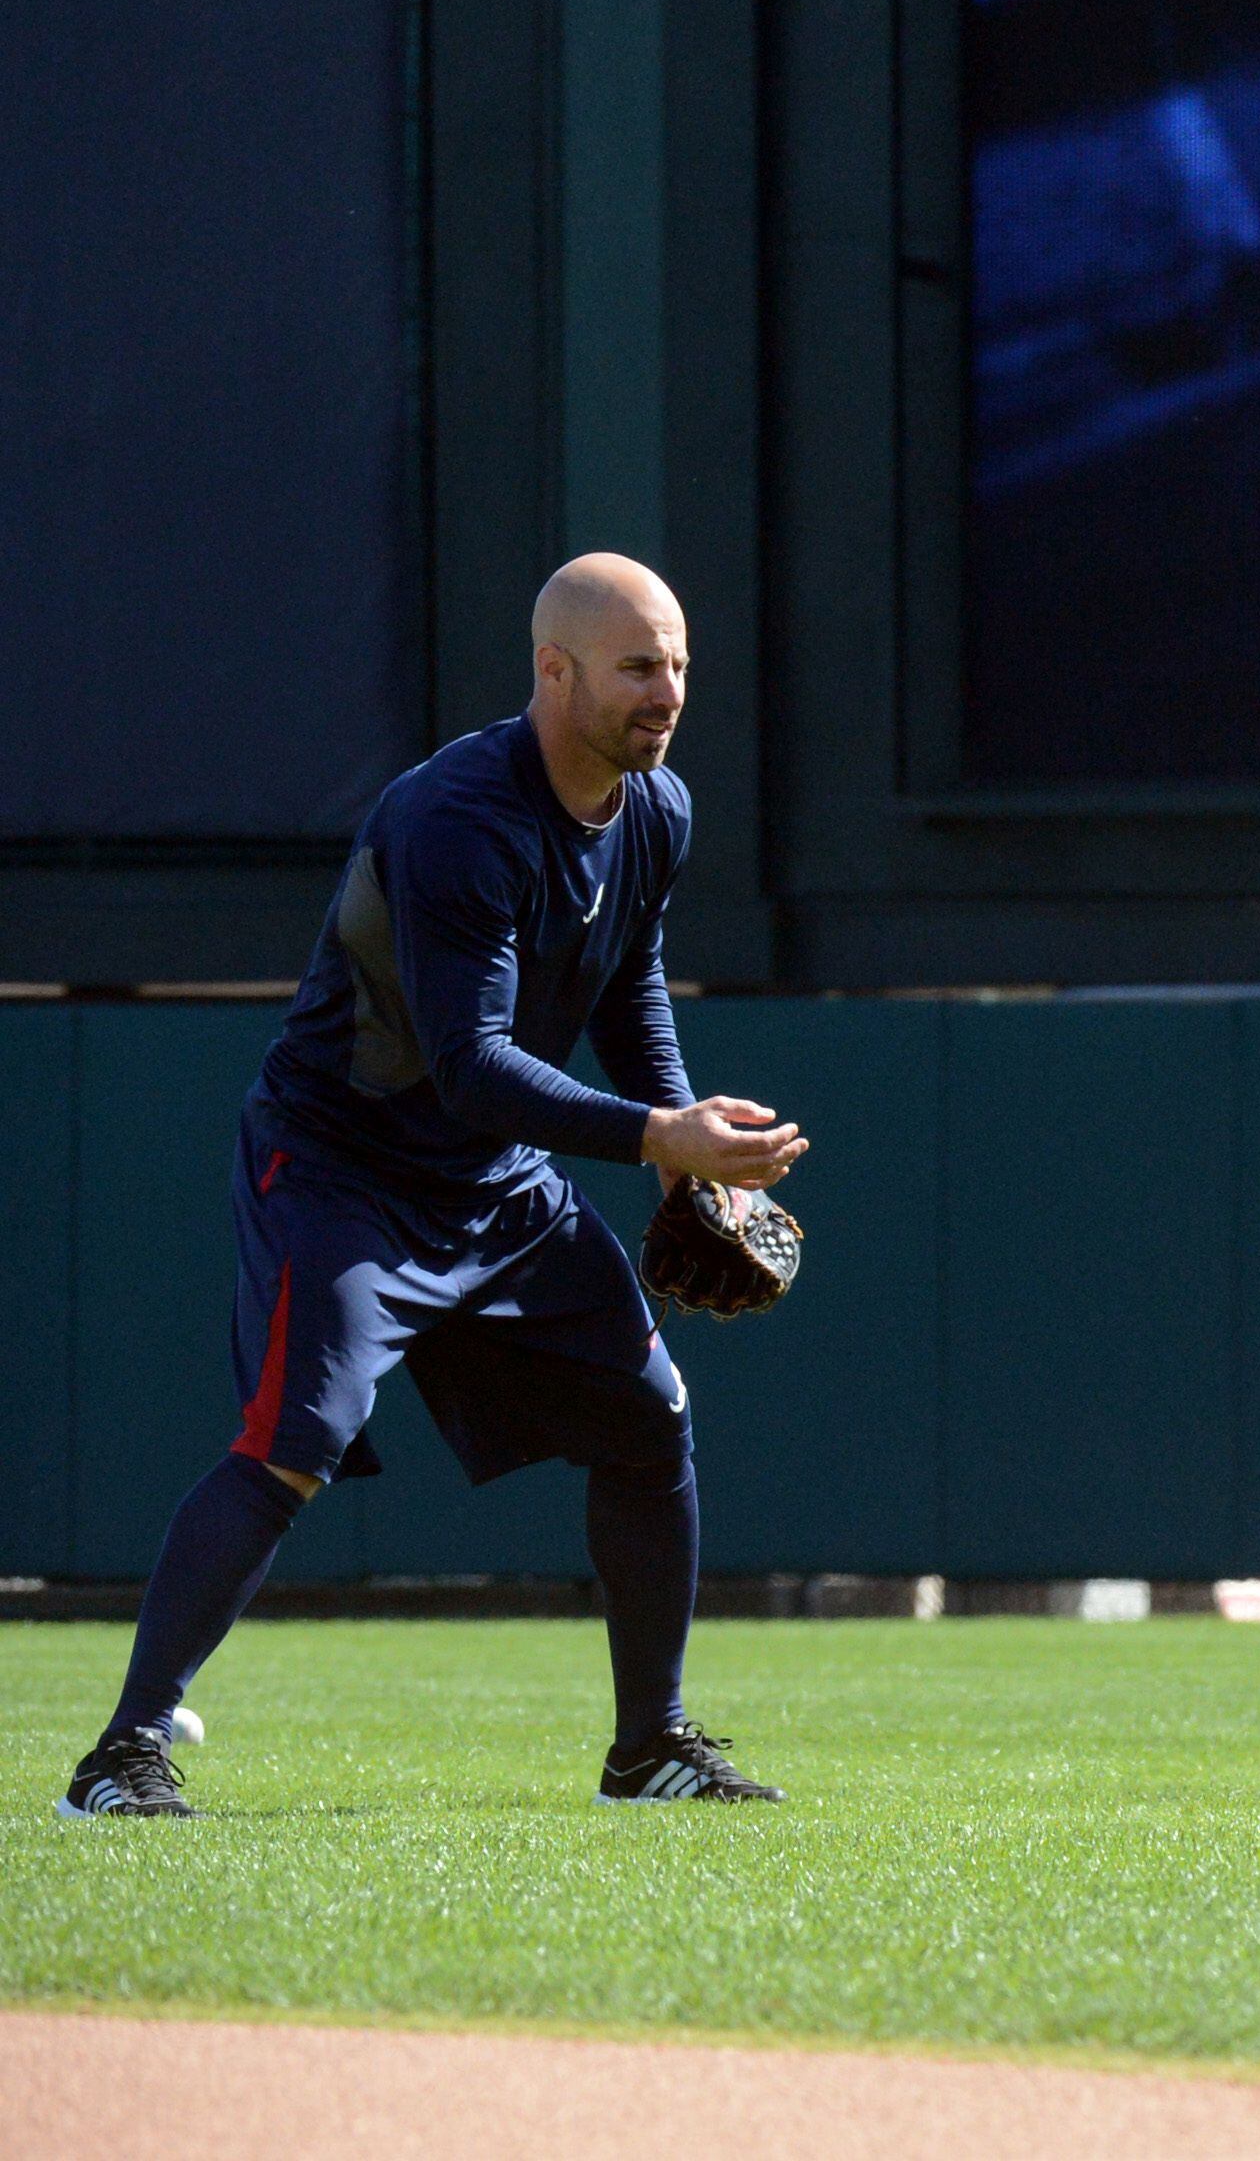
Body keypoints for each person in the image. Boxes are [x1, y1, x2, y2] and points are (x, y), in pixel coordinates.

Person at [57, 556, 809, 1821]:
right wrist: (655, 1136)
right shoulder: (459, 816)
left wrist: (683, 1149)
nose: (669, 689)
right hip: (344, 1167)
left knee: (651, 1417)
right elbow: (471, 1065)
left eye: (679, 662)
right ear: (554, 670)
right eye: (638, 664)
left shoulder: (656, 808)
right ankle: (119, 1755)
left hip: (496, 1183)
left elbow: (626, 982)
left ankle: (650, 1746)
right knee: (293, 1442)